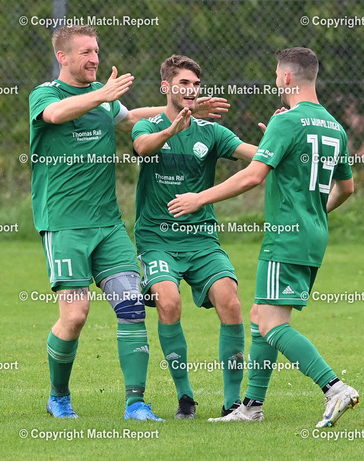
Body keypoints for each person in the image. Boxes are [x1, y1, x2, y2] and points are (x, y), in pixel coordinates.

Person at [29, 26, 227, 420]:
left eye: (96, 51)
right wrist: (101, 94)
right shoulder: (46, 94)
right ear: (62, 57)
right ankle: (58, 396)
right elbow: (55, 115)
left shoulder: (103, 99)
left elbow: (131, 117)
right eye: (85, 52)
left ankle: (135, 403)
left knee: (132, 306)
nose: (94, 59)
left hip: (109, 225)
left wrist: (181, 113)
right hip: (64, 225)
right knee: (75, 315)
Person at [168, 47, 359, 427]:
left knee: (272, 325)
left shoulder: (287, 121)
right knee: (259, 316)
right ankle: (251, 407)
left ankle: (334, 387)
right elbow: (347, 188)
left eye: (276, 75)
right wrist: (313, 213)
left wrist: (199, 198)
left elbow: (253, 175)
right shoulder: (334, 126)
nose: (275, 81)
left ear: (286, 77)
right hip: (313, 235)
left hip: (285, 237)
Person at [132, 55, 259, 419]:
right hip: (157, 240)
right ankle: (185, 397)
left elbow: (256, 158)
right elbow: (143, 147)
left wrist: (278, 141)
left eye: (196, 84)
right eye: (183, 83)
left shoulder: (212, 132)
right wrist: (172, 130)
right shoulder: (148, 126)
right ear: (166, 87)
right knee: (169, 302)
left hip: (201, 240)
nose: (191, 90)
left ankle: (232, 403)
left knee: (231, 301)